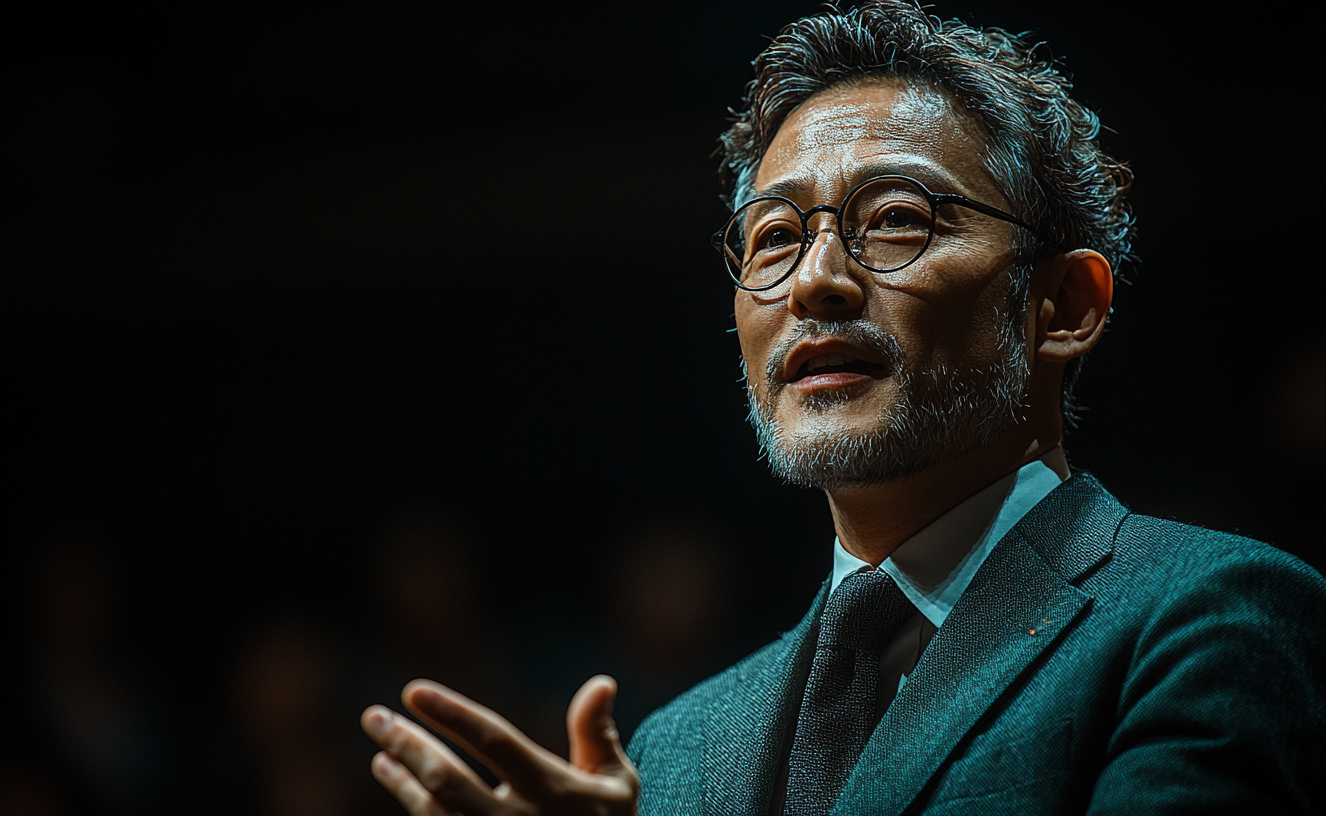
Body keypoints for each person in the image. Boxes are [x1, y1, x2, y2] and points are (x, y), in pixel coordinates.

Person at [359, 2, 1326, 813]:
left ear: (1063, 306)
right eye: (774, 236)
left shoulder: (1209, 617)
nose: (815, 278)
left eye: (897, 218)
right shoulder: (676, 749)